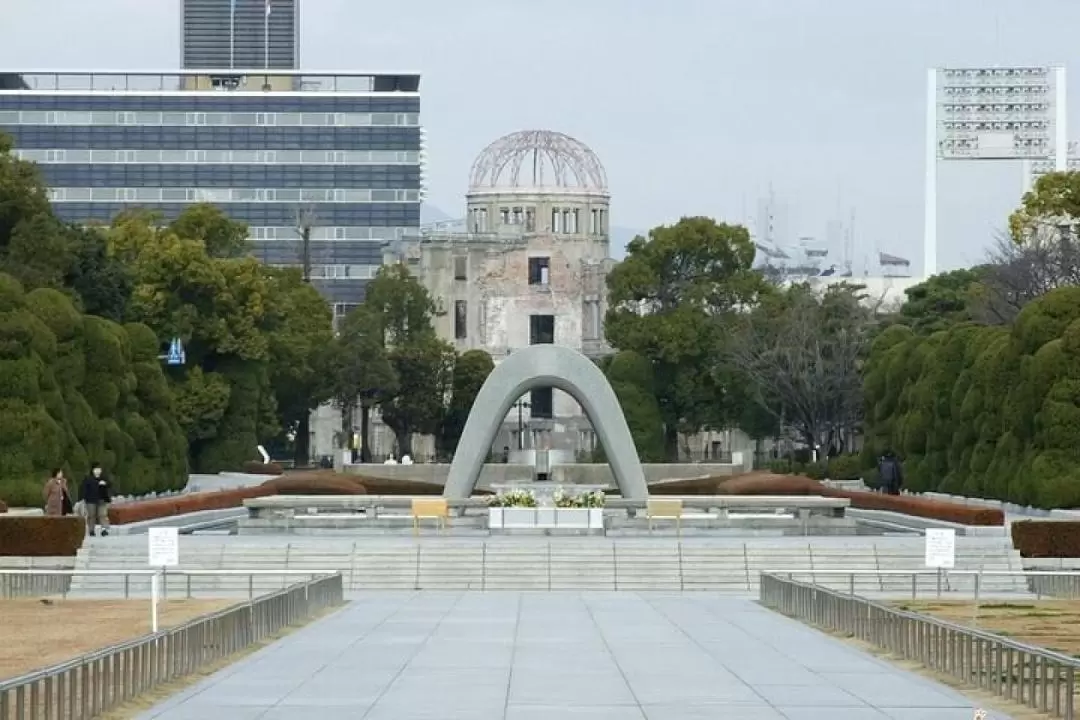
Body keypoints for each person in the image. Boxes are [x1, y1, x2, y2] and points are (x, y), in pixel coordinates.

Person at [81, 462, 112, 536]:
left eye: (99, 469)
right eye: (96, 469)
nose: (98, 470)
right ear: (92, 470)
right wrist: (84, 498)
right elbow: (84, 489)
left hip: (102, 499)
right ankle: (91, 530)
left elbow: (110, 484)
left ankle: (104, 529)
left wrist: (105, 484)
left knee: (102, 514)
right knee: (92, 516)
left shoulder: (104, 477)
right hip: (91, 500)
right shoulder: (88, 478)